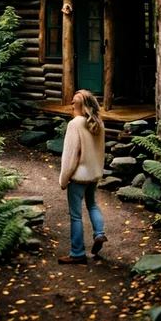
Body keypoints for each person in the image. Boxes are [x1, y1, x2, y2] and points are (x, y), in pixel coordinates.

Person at [58, 90, 107, 264]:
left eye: (74, 102)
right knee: (92, 204)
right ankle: (99, 233)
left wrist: (63, 180)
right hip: (93, 175)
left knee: (76, 216)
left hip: (78, 177)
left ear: (82, 105)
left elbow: (71, 156)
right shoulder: (99, 124)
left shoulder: (75, 124)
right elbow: (101, 152)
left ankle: (77, 253)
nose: (71, 104)